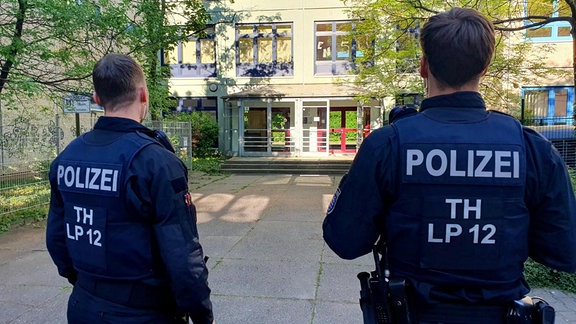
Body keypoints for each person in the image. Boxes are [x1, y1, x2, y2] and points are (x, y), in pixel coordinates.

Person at [323, 7, 576, 324]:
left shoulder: (387, 145)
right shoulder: (532, 149)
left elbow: (344, 241)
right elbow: (564, 251)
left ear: (423, 66)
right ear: (485, 68)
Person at [46, 53, 213, 324]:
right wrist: (202, 314)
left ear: (97, 99)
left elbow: (57, 239)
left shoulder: (66, 158)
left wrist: (90, 286)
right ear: (143, 95)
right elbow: (182, 254)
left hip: (83, 306)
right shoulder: (156, 162)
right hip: (144, 313)